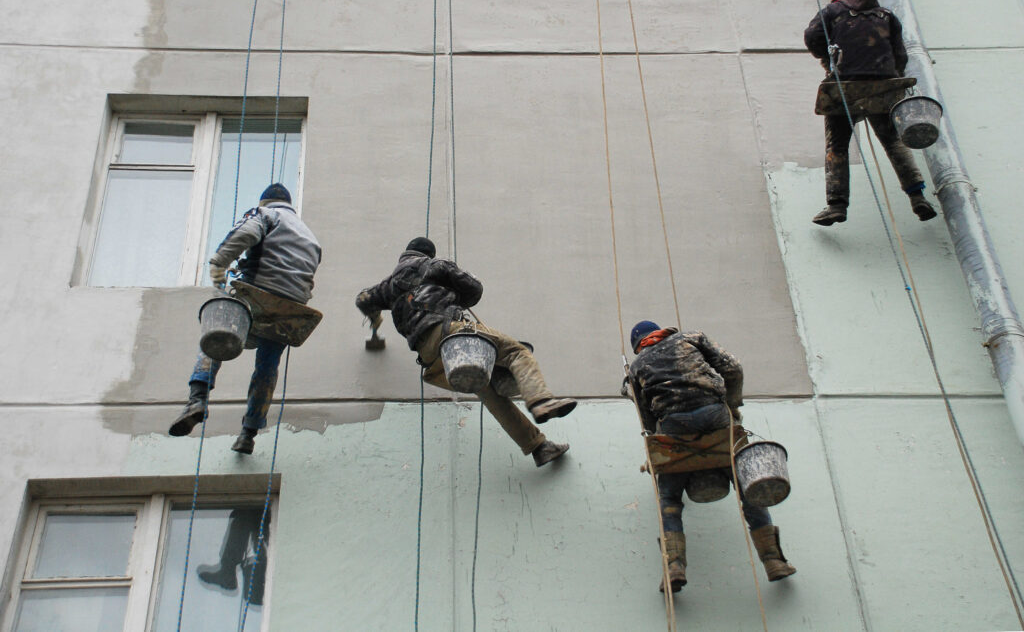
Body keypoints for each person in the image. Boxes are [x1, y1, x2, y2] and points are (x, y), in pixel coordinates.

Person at [356, 237, 575, 467]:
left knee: (488, 392)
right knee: (515, 351)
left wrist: (375, 320)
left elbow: (362, 300)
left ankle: (539, 447)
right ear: (427, 254)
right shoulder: (435, 265)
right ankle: (541, 401)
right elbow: (474, 288)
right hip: (450, 334)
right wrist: (453, 295)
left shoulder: (388, 286)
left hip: (430, 355)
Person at [626, 320, 796, 592]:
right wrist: (732, 405)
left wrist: (658, 435)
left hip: (674, 424)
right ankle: (774, 561)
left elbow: (644, 415)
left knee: (669, 499)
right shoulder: (691, 337)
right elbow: (732, 368)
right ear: (661, 332)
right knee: (748, 487)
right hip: (714, 414)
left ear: (638, 345)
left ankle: (674, 567)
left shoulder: (636, 366)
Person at [169, 183, 322, 454]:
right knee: (267, 367)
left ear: (265, 202)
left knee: (217, 333)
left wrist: (219, 263)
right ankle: (248, 433)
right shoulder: (310, 236)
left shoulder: (266, 215)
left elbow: (246, 233)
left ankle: (197, 399)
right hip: (291, 308)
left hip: (257, 292)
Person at [804, 0, 937, 226]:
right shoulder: (887, 15)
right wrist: (893, 77)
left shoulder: (832, 11)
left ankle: (836, 206)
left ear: (840, 1)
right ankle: (918, 197)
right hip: (883, 84)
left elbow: (812, 36)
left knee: (837, 145)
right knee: (893, 141)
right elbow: (900, 54)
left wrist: (828, 59)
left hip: (846, 84)